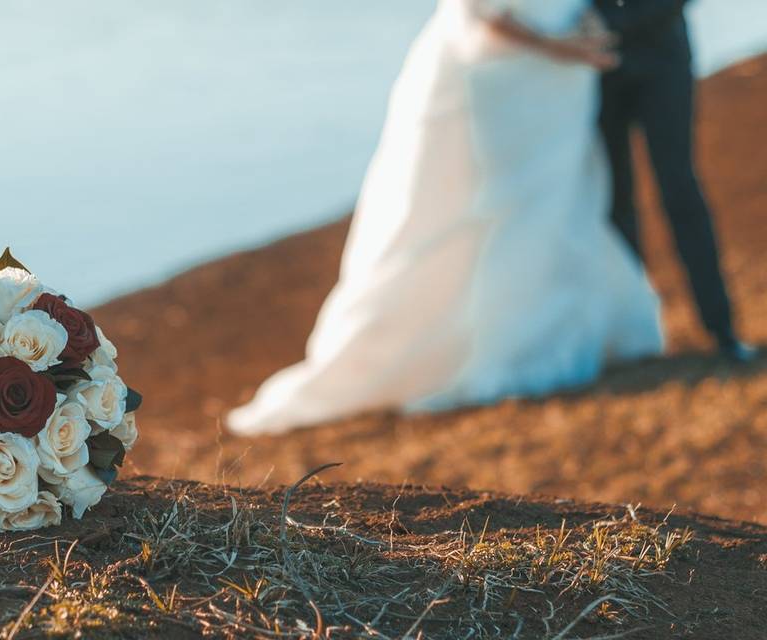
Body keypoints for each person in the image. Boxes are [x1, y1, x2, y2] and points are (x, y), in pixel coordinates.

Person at [227, 0, 664, 435]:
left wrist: (587, 27)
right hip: (498, 71)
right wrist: (554, 46)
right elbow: (478, 14)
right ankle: (481, 348)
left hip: (563, 81)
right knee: (483, 210)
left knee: (557, 201)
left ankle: (549, 336)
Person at [595, 0, 755, 361]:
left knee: (680, 188)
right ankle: (637, 333)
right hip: (598, 67)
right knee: (616, 199)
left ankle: (721, 328)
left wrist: (616, 21)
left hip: (661, 54)